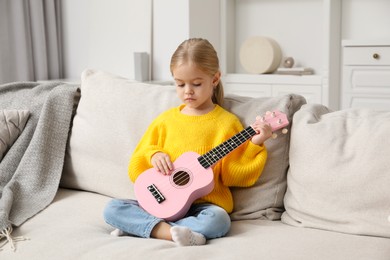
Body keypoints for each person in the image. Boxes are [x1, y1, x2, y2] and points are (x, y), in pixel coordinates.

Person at [103, 38, 272, 246]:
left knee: (219, 221)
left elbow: (234, 175)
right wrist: (153, 155)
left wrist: (255, 144)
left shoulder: (227, 124)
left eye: (196, 84)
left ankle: (146, 227)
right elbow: (136, 166)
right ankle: (173, 232)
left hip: (204, 208)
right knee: (113, 209)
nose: (187, 91)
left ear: (215, 78)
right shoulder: (165, 121)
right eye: (180, 84)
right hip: (161, 201)